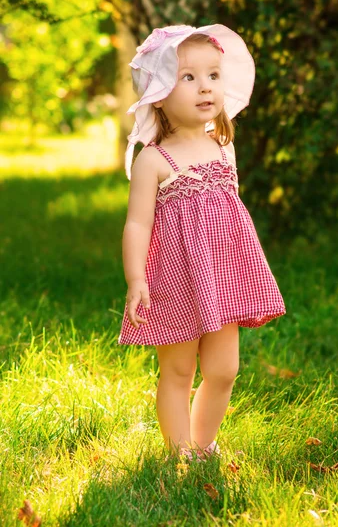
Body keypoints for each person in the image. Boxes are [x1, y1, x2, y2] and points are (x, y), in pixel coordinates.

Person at [118, 24, 286, 462]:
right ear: (158, 93)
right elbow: (137, 225)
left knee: (224, 370)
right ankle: (180, 455)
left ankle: (203, 441)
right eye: (188, 77)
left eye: (212, 75)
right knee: (177, 369)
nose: (205, 86)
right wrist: (136, 279)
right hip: (174, 279)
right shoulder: (153, 159)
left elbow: (227, 218)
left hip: (222, 277)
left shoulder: (223, 147)